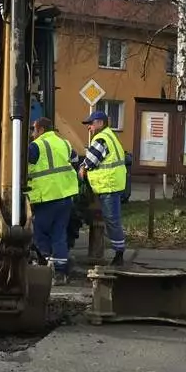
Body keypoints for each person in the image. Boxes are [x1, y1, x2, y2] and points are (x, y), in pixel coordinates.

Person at [27, 117, 79, 284]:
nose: (33, 134)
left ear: (41, 129)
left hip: (48, 196)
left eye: (34, 130)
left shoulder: (36, 146)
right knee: (59, 233)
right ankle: (61, 271)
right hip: (66, 195)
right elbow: (76, 160)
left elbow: (21, 164)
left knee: (37, 230)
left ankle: (48, 260)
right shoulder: (64, 143)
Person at [79, 110, 128, 266]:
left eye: (91, 124)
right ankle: (117, 251)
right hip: (110, 185)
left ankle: (119, 254)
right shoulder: (110, 136)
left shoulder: (101, 139)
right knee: (110, 219)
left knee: (112, 219)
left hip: (108, 186)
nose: (89, 128)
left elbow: (91, 161)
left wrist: (82, 168)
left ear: (100, 123)